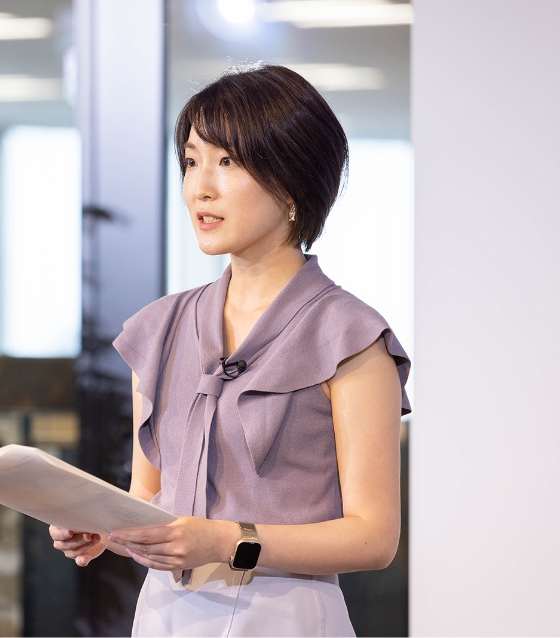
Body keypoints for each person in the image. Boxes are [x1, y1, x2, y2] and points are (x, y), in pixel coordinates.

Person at [50, 63, 410, 636]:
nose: (200, 186)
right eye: (192, 161)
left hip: (285, 617)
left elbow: (373, 537)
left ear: (291, 181)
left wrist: (224, 540)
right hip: (166, 614)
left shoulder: (350, 335)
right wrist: (107, 529)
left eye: (228, 161)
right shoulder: (161, 327)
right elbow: (149, 498)